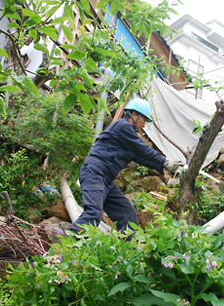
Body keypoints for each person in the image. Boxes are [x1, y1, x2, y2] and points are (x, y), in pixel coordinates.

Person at [70, 98, 180, 235]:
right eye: (144, 120)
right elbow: (142, 149)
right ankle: (66, 246)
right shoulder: (122, 126)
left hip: (105, 179)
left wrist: (165, 167)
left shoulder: (127, 138)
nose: (144, 125)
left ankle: (128, 252)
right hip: (95, 173)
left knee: (127, 214)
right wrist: (165, 161)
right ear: (134, 115)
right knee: (93, 213)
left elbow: (141, 158)